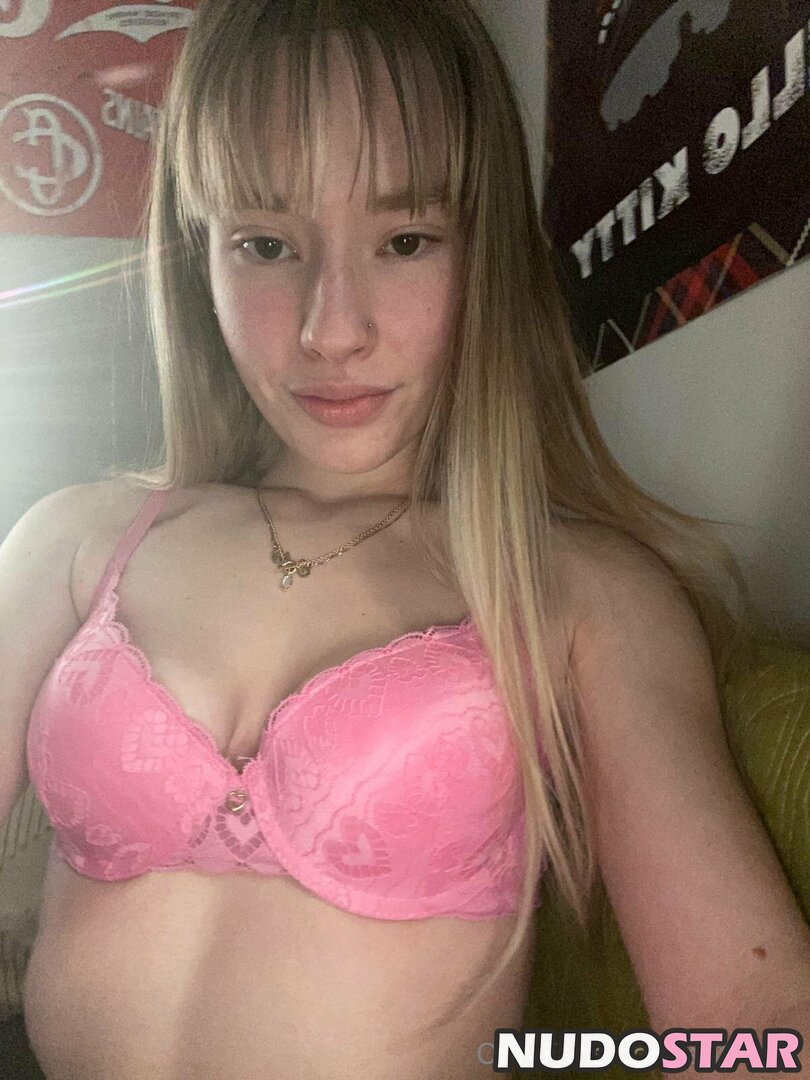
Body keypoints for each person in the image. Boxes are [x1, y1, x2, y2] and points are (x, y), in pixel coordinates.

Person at [1, 0, 809, 1077]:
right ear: (200, 258)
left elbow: (752, 1023)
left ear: (485, 256)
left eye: (406, 240)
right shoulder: (74, 537)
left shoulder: (578, 592)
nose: (333, 328)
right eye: (266, 245)